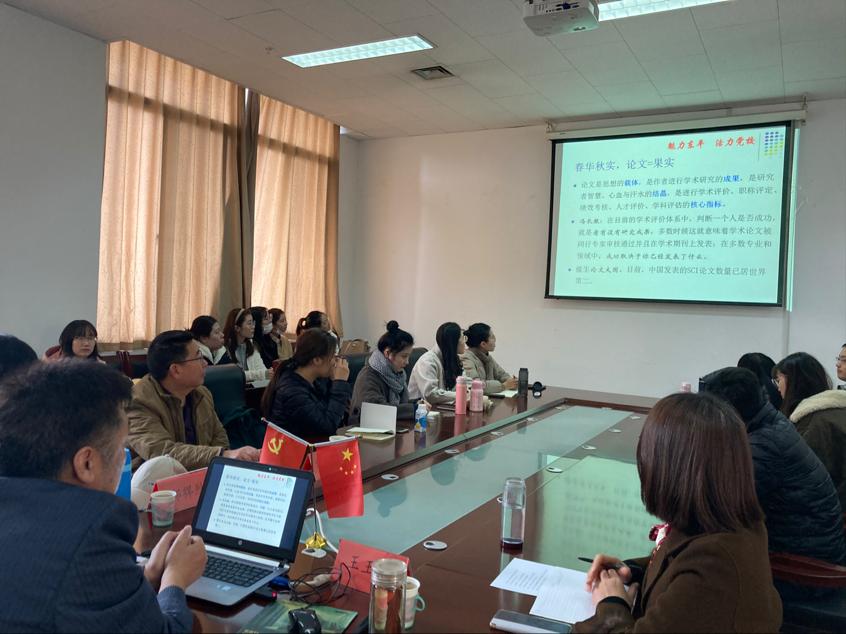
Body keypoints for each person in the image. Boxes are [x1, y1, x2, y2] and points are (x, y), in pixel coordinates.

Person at [0, 360, 206, 633]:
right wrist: (174, 579)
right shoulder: (89, 536)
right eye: (121, 447)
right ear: (86, 463)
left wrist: (147, 578)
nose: (123, 457)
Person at [574, 392, 782, 633]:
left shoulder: (713, 566)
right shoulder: (731, 521)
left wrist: (611, 603)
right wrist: (631, 571)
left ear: (666, 468)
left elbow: (692, 576)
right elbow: (679, 567)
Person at [700, 367, 846, 576]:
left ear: (729, 412)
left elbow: (722, 508)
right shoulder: (770, 422)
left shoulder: (764, 447)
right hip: (812, 545)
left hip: (804, 567)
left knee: (702, 561)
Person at [128, 330, 259, 470]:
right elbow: (162, 453)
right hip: (157, 480)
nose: (205, 363)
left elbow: (219, 437)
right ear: (176, 370)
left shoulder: (201, 393)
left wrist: (221, 459)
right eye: (198, 358)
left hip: (201, 475)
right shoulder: (137, 402)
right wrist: (222, 455)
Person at [774, 352, 846, 507]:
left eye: (779, 380)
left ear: (794, 382)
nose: (778, 387)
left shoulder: (813, 421)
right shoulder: (834, 410)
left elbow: (808, 476)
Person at [262, 328, 351, 438]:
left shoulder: (315, 381)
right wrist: (340, 383)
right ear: (317, 360)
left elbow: (334, 417)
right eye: (333, 356)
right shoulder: (292, 391)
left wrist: (334, 383)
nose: (335, 361)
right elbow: (327, 428)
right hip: (292, 448)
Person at [350, 321, 417, 425]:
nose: (407, 362)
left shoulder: (397, 375)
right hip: (365, 430)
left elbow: (399, 404)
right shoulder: (368, 376)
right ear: (387, 353)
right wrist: (414, 409)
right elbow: (378, 409)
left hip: (390, 426)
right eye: (404, 356)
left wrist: (417, 403)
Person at [409, 322, 465, 406]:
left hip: (441, 407)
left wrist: (469, 392)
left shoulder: (452, 358)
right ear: (453, 342)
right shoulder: (427, 361)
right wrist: (462, 395)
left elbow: (462, 382)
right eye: (463, 338)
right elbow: (430, 394)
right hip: (420, 411)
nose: (465, 342)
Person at [461, 323, 517, 395]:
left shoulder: (487, 357)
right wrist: (503, 386)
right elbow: (474, 385)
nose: (495, 339)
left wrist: (512, 381)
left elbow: (501, 374)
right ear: (483, 344)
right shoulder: (466, 358)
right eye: (492, 337)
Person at [222, 308, 271, 383]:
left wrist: (265, 373)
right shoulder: (224, 348)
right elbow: (234, 374)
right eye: (249, 323)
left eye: (253, 323)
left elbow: (263, 370)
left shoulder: (251, 345)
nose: (253, 326)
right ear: (237, 328)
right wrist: (261, 374)